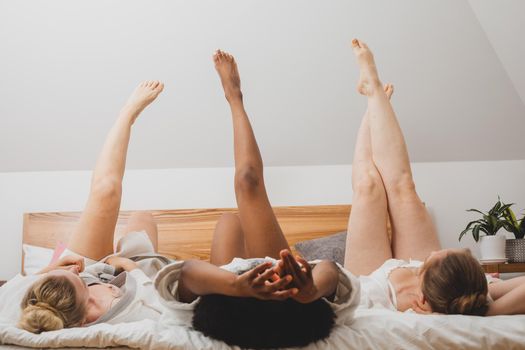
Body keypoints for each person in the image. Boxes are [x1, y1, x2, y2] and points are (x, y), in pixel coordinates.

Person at [153, 50, 359, 349]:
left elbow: (186, 273)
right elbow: (330, 268)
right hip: (292, 302)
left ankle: (232, 97)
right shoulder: (312, 317)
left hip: (228, 293)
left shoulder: (212, 323)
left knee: (228, 219)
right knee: (247, 182)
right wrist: (309, 291)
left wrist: (237, 285)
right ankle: (235, 97)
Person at [344, 38, 525, 316]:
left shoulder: (369, 298)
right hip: (437, 284)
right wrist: (490, 312)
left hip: (373, 280)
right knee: (405, 187)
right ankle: (373, 93)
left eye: (428, 259)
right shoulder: (467, 288)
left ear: (422, 303)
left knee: (368, 187)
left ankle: (373, 107)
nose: (423, 257)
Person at [16, 81, 169, 333]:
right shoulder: (83, 316)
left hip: (90, 271)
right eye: (76, 276)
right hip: (129, 279)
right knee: (143, 222)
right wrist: (128, 267)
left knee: (107, 190)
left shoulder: (16, 295)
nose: (76, 270)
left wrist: (53, 268)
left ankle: (126, 114)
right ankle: (123, 252)